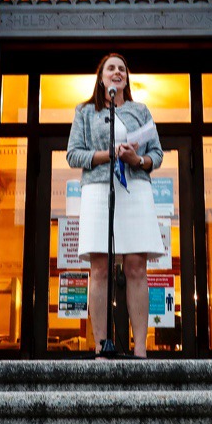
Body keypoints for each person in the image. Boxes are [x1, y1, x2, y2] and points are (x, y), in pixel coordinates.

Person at [66, 52, 166, 358]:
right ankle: (100, 346)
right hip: (98, 188)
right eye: (111, 68)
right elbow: (73, 155)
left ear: (126, 78)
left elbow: (157, 155)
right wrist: (108, 154)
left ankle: (140, 349)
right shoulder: (86, 112)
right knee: (100, 268)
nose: (117, 72)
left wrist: (137, 160)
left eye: (122, 68)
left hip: (135, 187)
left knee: (136, 266)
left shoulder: (140, 110)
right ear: (101, 77)